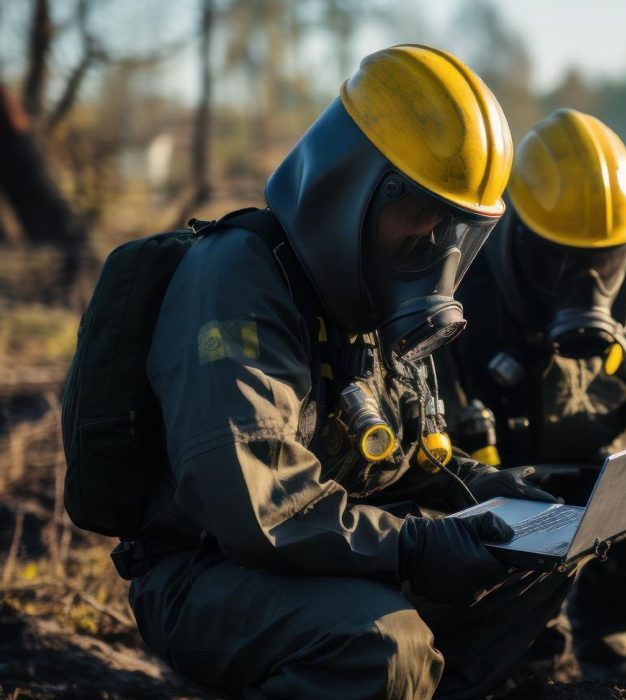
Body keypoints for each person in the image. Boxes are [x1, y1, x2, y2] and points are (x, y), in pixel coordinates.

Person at [122, 45, 569, 698]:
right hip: (205, 571)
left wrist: (519, 496)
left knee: (532, 566)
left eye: (454, 229)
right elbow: (257, 505)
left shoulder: (366, 293)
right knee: (383, 647)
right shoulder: (237, 280)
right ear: (354, 183)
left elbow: (413, 458)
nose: (435, 244)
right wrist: (414, 548)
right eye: (421, 214)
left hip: (322, 554)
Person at [432, 108, 626, 675]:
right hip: (490, 490)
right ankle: (510, 638)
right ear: (517, 229)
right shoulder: (457, 290)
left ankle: (610, 623)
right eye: (562, 260)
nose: (585, 281)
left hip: (603, 492)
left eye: (603, 261)